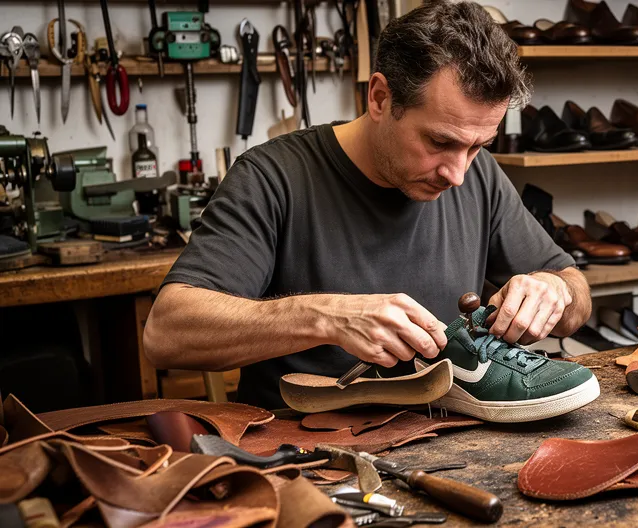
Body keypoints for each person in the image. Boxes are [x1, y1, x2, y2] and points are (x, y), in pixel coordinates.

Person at [143, 1, 597, 417]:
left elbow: (577, 293)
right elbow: (166, 333)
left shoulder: (479, 174)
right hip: (308, 449)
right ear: (380, 97)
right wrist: (324, 317)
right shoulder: (273, 176)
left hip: (444, 439)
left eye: (478, 146)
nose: (457, 173)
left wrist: (554, 291)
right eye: (440, 142)